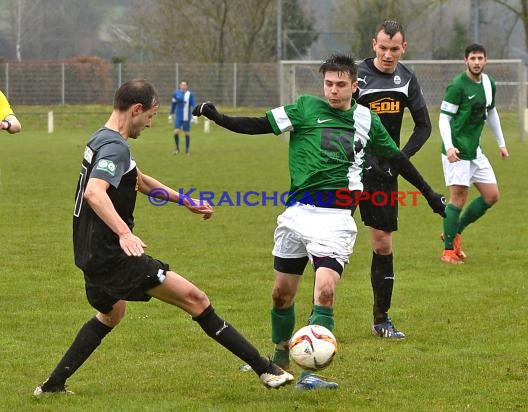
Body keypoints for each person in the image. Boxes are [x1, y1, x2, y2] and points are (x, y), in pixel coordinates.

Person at [192, 54, 446, 390]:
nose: (333, 91)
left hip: (336, 218)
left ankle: (312, 373)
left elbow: (397, 158)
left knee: (324, 290)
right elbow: (258, 125)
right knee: (281, 294)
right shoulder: (305, 108)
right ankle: (280, 359)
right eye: (329, 83)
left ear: (355, 87)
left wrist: (429, 194)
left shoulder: (366, 119)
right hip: (296, 213)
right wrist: (218, 117)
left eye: (341, 84)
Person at [33, 79, 293, 397]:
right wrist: (125, 233)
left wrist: (186, 201)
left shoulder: (101, 139)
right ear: (136, 109)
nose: (151, 123)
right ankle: (267, 370)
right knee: (196, 300)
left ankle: (53, 385)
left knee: (112, 313)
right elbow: (94, 193)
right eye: (150, 116)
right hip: (114, 256)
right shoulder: (115, 147)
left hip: (88, 254)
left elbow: (138, 181)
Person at [355, 20, 432, 339]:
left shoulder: (407, 79)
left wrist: (400, 160)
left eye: (394, 49)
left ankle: (381, 319)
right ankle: (319, 316)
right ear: (374, 44)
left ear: (404, 48)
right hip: (349, 168)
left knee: (383, 243)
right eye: (383, 48)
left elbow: (424, 126)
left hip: (385, 173)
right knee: (330, 241)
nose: (388, 54)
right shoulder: (355, 74)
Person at [439, 43, 509, 264]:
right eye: (473, 58)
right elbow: (443, 118)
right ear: (466, 61)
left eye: (480, 58)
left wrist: (501, 143)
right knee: (457, 200)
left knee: (492, 195)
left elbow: (491, 113)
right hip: (457, 151)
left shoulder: (489, 83)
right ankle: (448, 251)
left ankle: (455, 230)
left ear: (485, 61)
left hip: (475, 151)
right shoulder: (457, 86)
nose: (477, 62)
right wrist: (449, 146)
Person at [168, 80, 196, 156]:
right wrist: (170, 114)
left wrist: (194, 116)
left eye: (184, 85)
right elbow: (173, 105)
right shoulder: (176, 93)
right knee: (176, 132)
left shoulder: (190, 94)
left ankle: (187, 150)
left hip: (187, 117)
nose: (183, 86)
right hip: (178, 116)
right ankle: (177, 149)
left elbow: (194, 104)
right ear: (180, 86)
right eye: (182, 85)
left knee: (187, 133)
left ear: (187, 86)